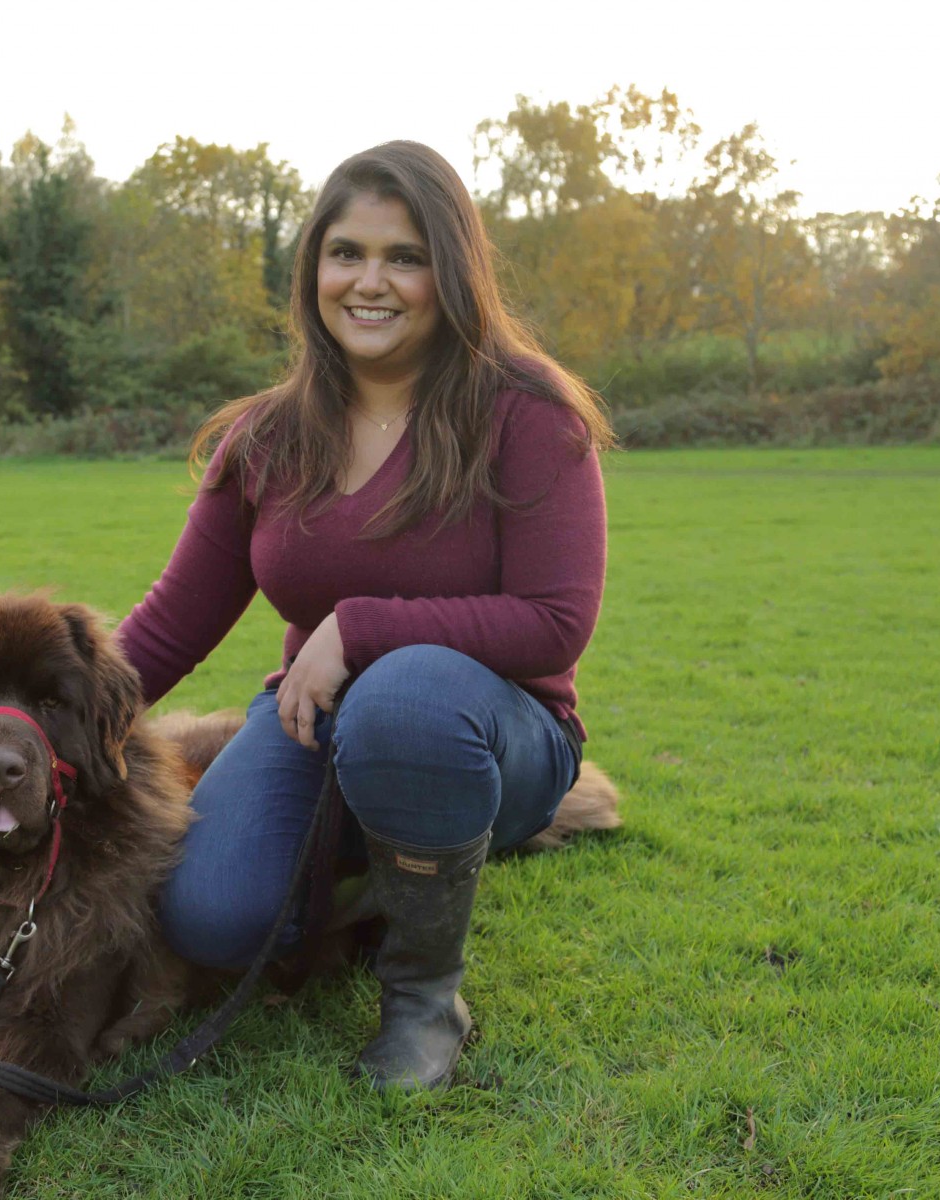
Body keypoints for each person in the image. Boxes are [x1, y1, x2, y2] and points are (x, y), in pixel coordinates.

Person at [114, 140, 612, 1091]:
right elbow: (170, 626)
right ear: (313, 271)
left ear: (451, 271)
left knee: (405, 694)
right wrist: (41, 712)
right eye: (346, 253)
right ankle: (392, 868)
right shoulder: (265, 435)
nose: (369, 282)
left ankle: (425, 998)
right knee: (212, 914)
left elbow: (554, 623)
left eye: (405, 256)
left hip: (497, 733)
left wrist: (361, 627)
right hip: (317, 722)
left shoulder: (528, 413)